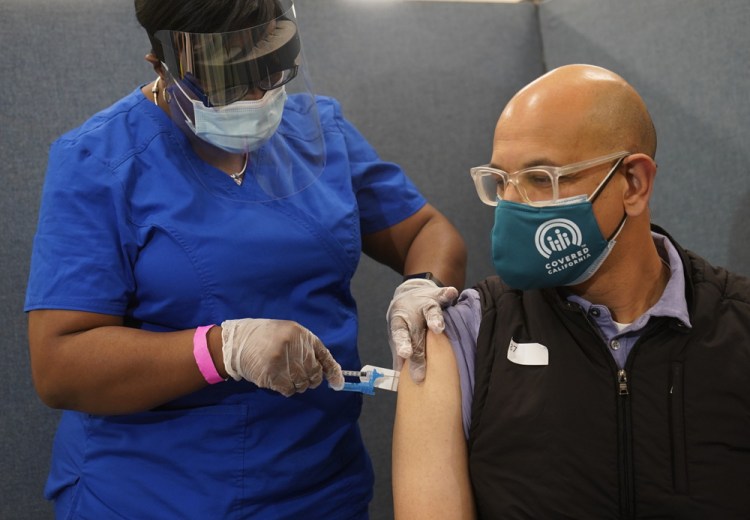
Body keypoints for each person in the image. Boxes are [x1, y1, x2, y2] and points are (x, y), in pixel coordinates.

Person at [24, 1, 466, 517]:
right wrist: (221, 349)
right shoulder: (100, 162)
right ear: (160, 64)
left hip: (322, 489)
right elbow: (60, 367)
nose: (258, 96)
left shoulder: (316, 129)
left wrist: (422, 288)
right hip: (154, 495)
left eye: (270, 70)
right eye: (233, 82)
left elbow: (428, 232)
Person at [392, 64, 750, 519]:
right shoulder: (462, 335)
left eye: (542, 179)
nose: (513, 205)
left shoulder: (739, 324)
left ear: (634, 184)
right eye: (501, 181)